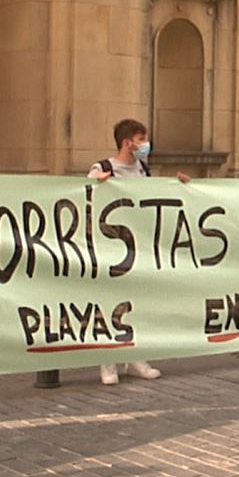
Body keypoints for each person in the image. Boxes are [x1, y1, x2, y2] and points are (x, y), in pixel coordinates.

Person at [88, 118, 189, 385]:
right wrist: (97, 183)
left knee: (136, 302)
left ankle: (134, 357)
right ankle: (107, 360)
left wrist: (179, 185)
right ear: (127, 142)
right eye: (141, 139)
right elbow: (83, 196)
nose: (145, 145)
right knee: (109, 301)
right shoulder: (103, 168)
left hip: (138, 245)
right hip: (111, 245)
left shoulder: (143, 170)